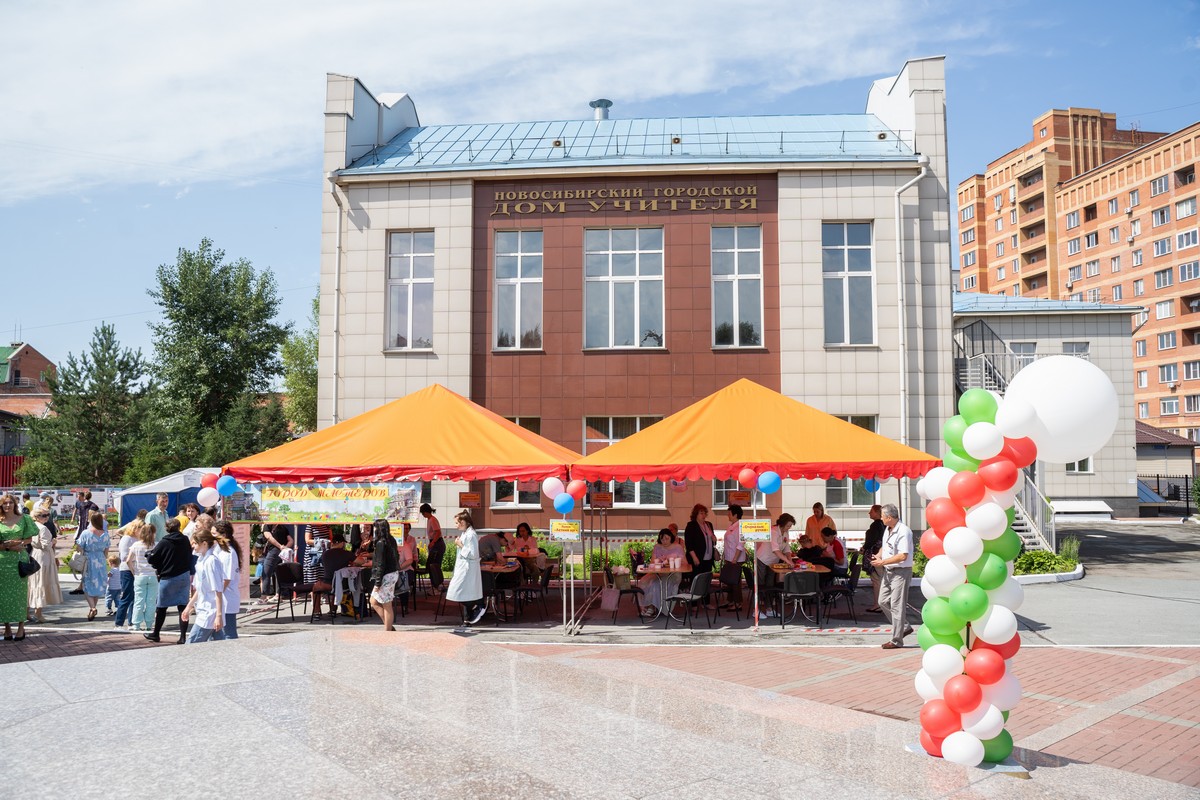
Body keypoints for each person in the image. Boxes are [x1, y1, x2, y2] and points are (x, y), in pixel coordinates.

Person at [144, 518, 194, 644]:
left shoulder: (164, 542)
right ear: (179, 527)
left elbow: (153, 558)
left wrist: (148, 555)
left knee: (161, 607)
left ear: (167, 529)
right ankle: (183, 637)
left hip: (168, 577)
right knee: (182, 606)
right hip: (183, 575)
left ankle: (156, 633)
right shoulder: (185, 540)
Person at [871, 503, 914, 649]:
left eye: (882, 516)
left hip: (900, 572)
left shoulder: (903, 531)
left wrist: (882, 561)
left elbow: (903, 555)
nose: (881, 518)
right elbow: (886, 545)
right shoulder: (888, 529)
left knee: (897, 606)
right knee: (882, 601)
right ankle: (905, 627)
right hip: (889, 571)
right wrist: (878, 555)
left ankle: (897, 640)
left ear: (889, 517)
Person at [0, 493, 38, 641]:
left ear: (15, 504)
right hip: (2, 561)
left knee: (20, 594)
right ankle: (7, 627)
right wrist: (7, 546)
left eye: (10, 503)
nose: (7, 505)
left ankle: (21, 627)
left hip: (18, 561)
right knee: (2, 596)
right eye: (5, 503)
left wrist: (21, 544)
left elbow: (30, 538)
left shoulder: (24, 519)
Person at [181, 528, 224, 644]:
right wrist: (189, 606)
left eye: (195, 543)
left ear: (204, 543)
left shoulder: (211, 561)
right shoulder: (201, 560)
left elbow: (218, 590)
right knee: (220, 647)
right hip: (206, 610)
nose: (193, 546)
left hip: (209, 612)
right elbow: (200, 589)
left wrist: (218, 616)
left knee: (191, 645)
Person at [445, 510, 484, 626]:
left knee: (456, 590)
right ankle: (468, 618)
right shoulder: (465, 533)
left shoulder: (471, 535)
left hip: (468, 568)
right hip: (464, 567)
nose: (456, 525)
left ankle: (477, 606)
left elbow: (473, 554)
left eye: (457, 523)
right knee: (461, 592)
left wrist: (460, 545)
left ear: (463, 522)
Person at [638, 528, 687, 617]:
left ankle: (653, 607)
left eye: (666, 539)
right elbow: (653, 561)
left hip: (674, 573)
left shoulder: (678, 547)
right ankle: (644, 607)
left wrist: (671, 561)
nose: (664, 541)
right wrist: (660, 561)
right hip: (658, 572)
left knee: (656, 583)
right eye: (662, 539)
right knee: (643, 582)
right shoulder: (657, 547)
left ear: (671, 537)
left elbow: (685, 563)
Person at [756, 512, 796, 620]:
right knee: (760, 585)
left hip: (773, 562)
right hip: (762, 559)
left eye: (790, 526)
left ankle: (769, 609)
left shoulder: (785, 533)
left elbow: (787, 549)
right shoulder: (773, 531)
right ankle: (757, 610)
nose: (789, 528)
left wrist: (790, 560)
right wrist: (787, 561)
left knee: (770, 585)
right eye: (788, 525)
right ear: (782, 524)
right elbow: (776, 550)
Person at [27, 506, 62, 622]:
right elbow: (46, 545)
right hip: (44, 556)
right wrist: (53, 541)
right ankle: (38, 614)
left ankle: (27, 612)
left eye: (47, 515)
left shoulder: (32, 526)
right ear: (37, 516)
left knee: (33, 583)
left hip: (35, 554)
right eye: (44, 515)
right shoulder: (43, 528)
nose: (47, 517)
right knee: (41, 583)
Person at [76, 512, 111, 622]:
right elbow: (106, 552)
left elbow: (79, 547)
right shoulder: (105, 534)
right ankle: (92, 608)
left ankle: (92, 607)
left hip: (89, 560)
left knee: (87, 584)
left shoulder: (86, 533)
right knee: (97, 585)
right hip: (100, 560)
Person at [212, 521, 243, 640]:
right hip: (221, 599)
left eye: (214, 533)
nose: (211, 536)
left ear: (223, 535)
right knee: (218, 633)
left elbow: (227, 579)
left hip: (227, 599)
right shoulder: (217, 549)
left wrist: (217, 595)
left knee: (229, 634)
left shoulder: (229, 553)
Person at [368, 519, 400, 631]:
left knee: (386, 604)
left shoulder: (381, 543)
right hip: (392, 574)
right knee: (374, 601)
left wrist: (377, 583)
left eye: (375, 527)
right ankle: (389, 626)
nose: (374, 530)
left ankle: (388, 630)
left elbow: (381, 564)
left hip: (386, 575)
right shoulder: (391, 540)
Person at [126, 521, 158, 632]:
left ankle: (136, 624)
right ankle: (149, 624)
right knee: (151, 601)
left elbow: (128, 560)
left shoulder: (136, 545)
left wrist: (133, 571)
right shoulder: (156, 545)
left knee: (139, 600)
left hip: (140, 575)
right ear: (153, 533)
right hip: (153, 575)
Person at [315, 530, 354, 618]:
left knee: (316, 588)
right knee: (337, 586)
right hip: (341, 584)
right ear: (341, 543)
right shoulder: (346, 554)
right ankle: (333, 610)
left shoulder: (325, 554)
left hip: (326, 583)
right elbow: (360, 562)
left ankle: (316, 612)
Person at [114, 516, 142, 629]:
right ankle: (119, 623)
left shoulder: (137, 538)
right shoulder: (127, 538)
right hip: (127, 570)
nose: (142, 531)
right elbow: (126, 557)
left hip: (135, 570)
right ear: (135, 528)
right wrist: (134, 572)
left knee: (134, 598)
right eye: (140, 528)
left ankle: (132, 622)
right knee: (126, 596)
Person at [719, 505, 747, 611]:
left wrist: (735, 559)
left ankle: (738, 602)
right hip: (729, 557)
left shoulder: (741, 526)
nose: (728, 515)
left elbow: (741, 544)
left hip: (736, 559)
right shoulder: (732, 525)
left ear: (735, 515)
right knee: (729, 581)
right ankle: (730, 600)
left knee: (735, 582)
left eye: (729, 513)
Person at [258, 524, 292, 603]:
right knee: (278, 574)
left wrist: (280, 546)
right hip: (282, 552)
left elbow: (269, 537)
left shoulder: (267, 525)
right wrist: (285, 548)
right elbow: (291, 540)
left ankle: (264, 596)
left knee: (266, 572)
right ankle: (278, 595)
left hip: (273, 551)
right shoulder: (283, 527)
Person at [862, 504, 886, 613]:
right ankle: (881, 603)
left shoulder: (875, 525)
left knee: (876, 580)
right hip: (882, 555)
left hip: (875, 556)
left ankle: (878, 604)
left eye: (871, 511)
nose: (869, 513)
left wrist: (864, 547)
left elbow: (871, 541)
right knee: (880, 579)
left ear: (877, 512)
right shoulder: (884, 525)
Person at [683, 504, 716, 582]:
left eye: (705, 513)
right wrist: (694, 557)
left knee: (706, 581)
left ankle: (706, 594)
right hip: (698, 557)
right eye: (701, 513)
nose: (704, 515)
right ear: (696, 514)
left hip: (709, 558)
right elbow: (689, 544)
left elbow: (712, 541)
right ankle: (696, 594)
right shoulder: (691, 525)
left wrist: (714, 539)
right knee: (697, 580)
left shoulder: (709, 525)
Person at [420, 504, 444, 594]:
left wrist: (433, 542)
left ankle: (436, 587)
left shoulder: (432, 520)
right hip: (435, 543)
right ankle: (435, 586)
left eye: (423, 513)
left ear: (426, 512)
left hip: (437, 544)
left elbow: (438, 532)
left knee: (434, 566)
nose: (423, 515)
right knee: (433, 565)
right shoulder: (430, 520)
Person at [395, 522, 417, 614]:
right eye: (404, 528)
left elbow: (413, 555)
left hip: (407, 567)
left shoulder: (409, 542)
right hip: (396, 569)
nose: (406, 530)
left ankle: (405, 605)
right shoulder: (393, 543)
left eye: (408, 528)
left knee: (403, 581)